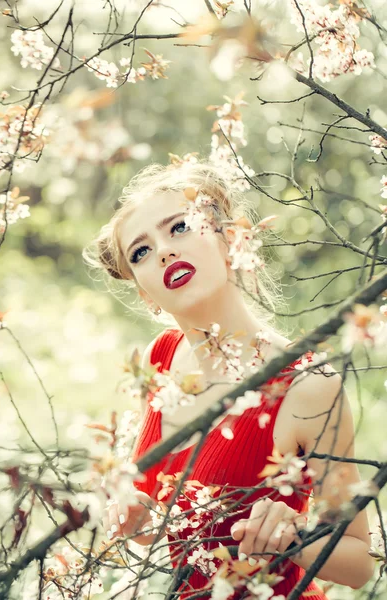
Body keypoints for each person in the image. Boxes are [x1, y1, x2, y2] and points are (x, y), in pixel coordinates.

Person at [84, 161, 374, 599]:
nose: (163, 250)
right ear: (145, 292)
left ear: (229, 239)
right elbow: (160, 521)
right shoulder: (159, 359)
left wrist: (292, 536)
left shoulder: (308, 385)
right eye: (141, 252)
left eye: (179, 227)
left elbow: (359, 563)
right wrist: (136, 519)